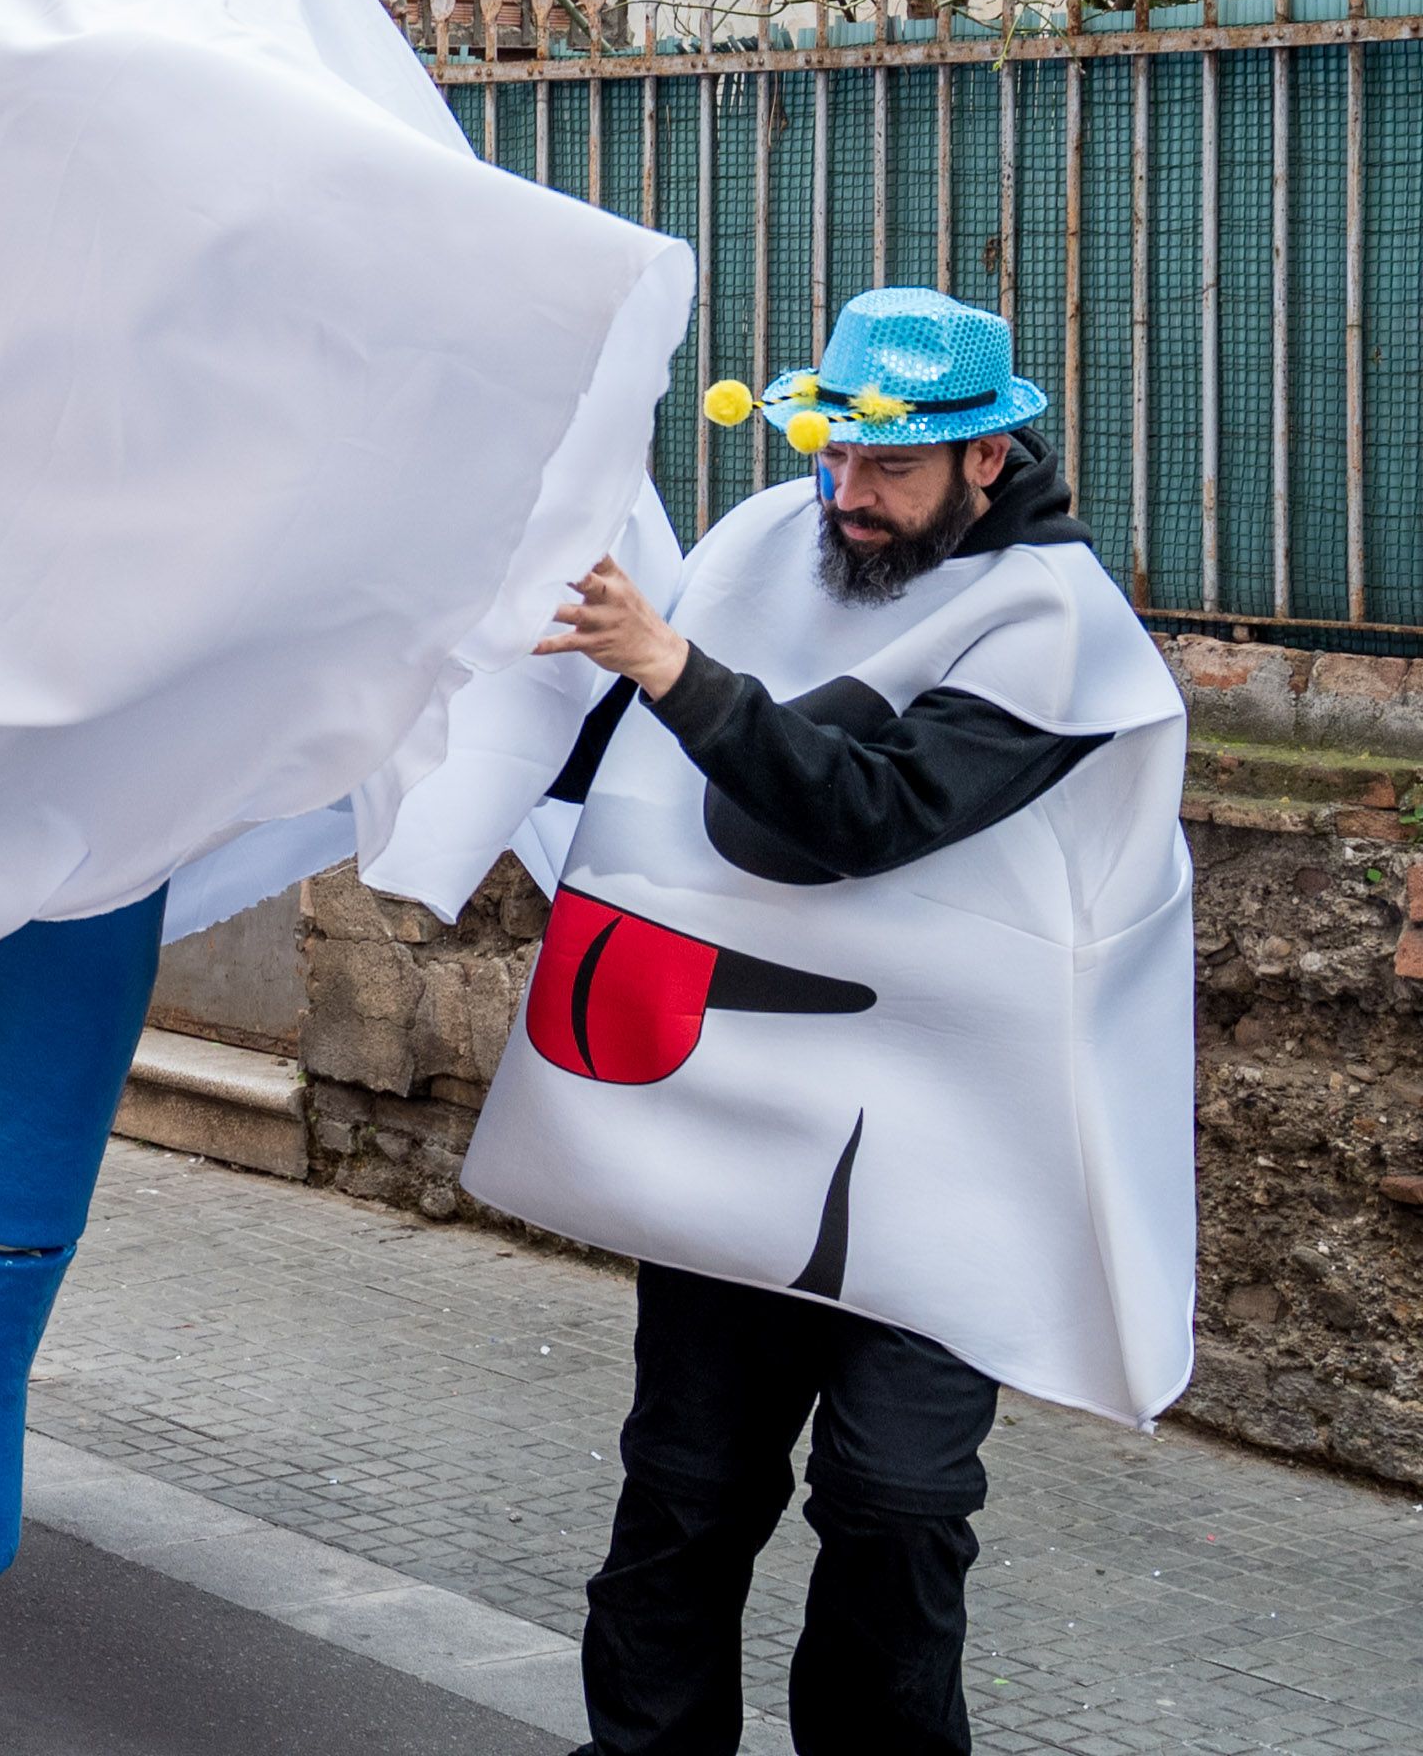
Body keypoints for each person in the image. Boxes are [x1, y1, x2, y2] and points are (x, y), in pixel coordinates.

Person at [474, 288, 1193, 1756]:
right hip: (740, 1126)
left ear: (987, 460)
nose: (850, 500)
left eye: (894, 472)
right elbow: (623, 776)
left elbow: (867, 818)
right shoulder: (765, 541)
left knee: (898, 1501)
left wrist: (669, 666)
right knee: (686, 1489)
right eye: (838, 460)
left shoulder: (1056, 626)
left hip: (952, 1157)